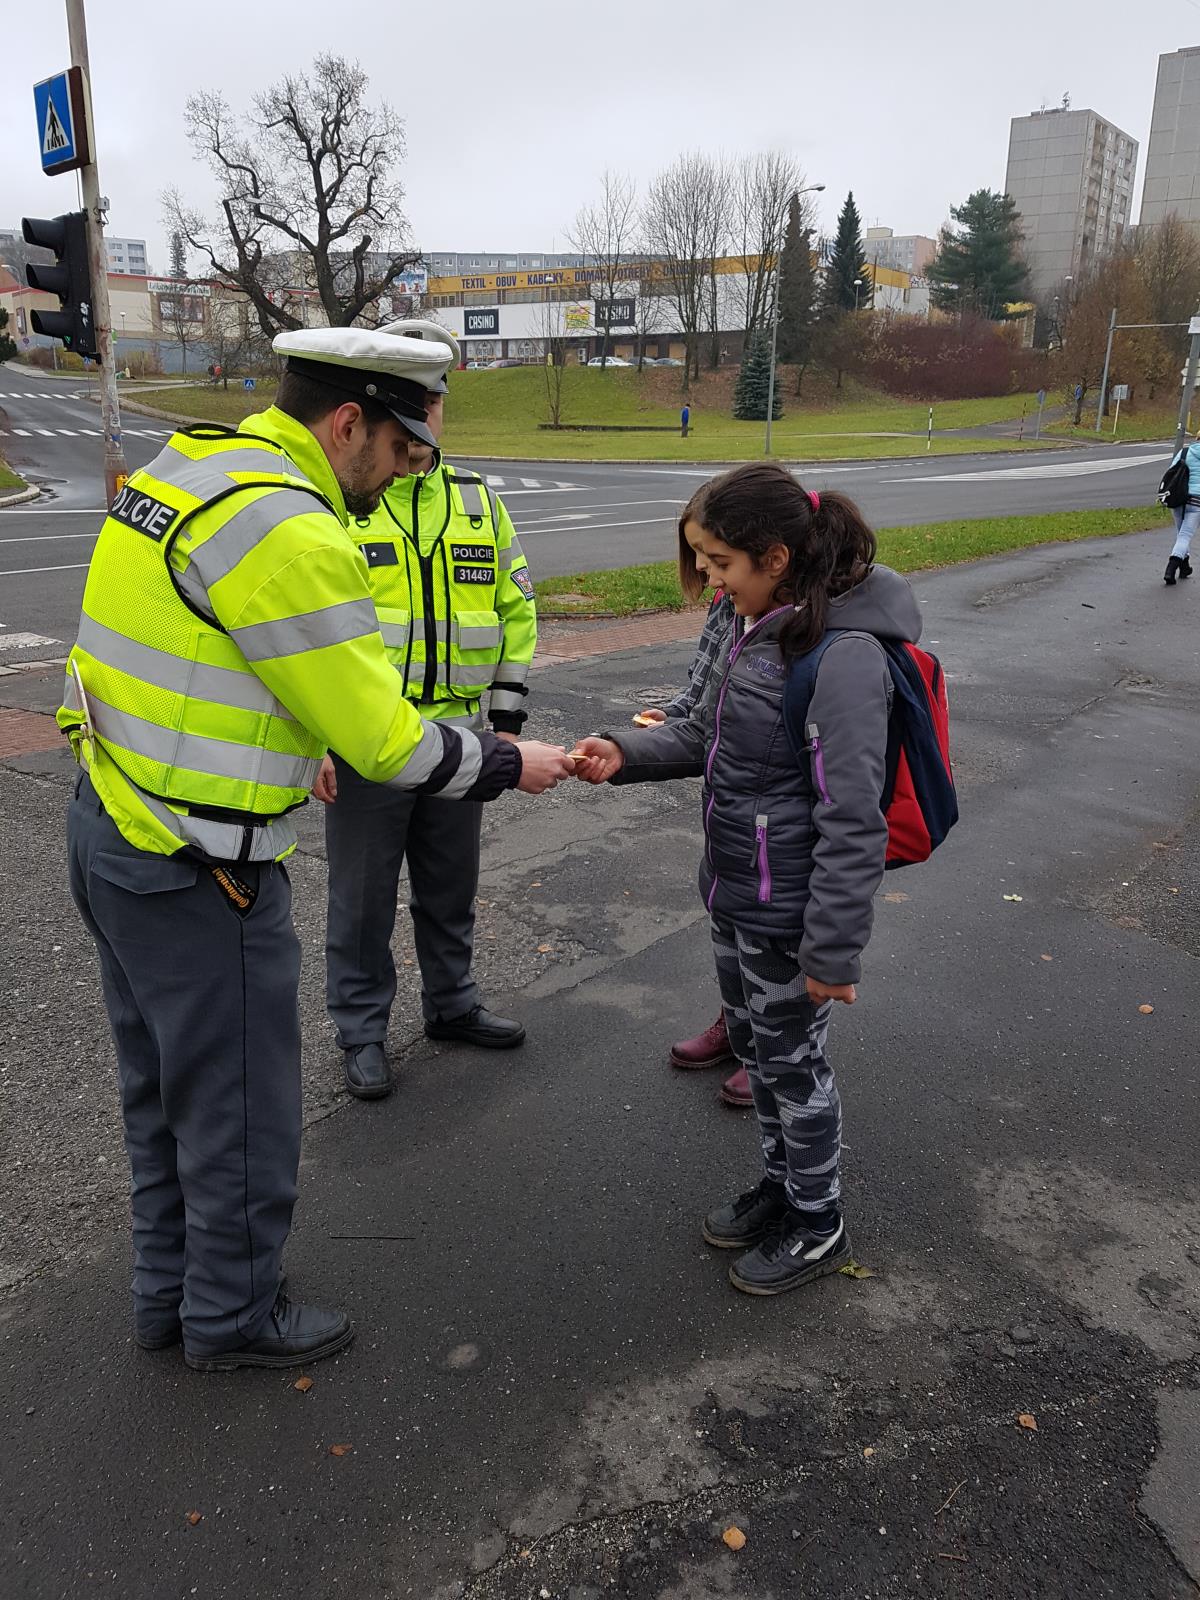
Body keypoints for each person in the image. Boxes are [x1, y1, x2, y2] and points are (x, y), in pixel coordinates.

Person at [58, 327, 574, 1372]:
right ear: (348, 424)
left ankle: (168, 1297)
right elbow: (383, 741)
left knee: (162, 1094)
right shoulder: (293, 530)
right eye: (399, 451)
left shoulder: (194, 463)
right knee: (240, 1108)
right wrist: (508, 761)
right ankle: (232, 1317)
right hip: (201, 861)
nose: (400, 477)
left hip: (112, 821)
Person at [574, 462, 922, 1296]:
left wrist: (832, 951)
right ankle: (782, 1185)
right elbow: (703, 733)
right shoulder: (755, 627)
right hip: (737, 894)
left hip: (790, 914)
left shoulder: (843, 657)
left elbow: (852, 818)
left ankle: (818, 1220)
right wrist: (623, 753)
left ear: (776, 557)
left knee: (794, 1070)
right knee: (762, 1059)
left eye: (721, 563)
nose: (711, 581)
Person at [318, 319, 539, 1098]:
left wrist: (504, 724)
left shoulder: (479, 503)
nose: (425, 414)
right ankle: (361, 1031)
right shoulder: (345, 503)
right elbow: (312, 634)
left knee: (450, 888)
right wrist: (316, 739)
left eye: (434, 398)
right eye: (411, 399)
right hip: (369, 738)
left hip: (459, 736)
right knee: (362, 900)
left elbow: (516, 611)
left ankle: (451, 1004)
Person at [634, 575, 749, 1107]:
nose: (708, 574)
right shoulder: (732, 598)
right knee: (729, 924)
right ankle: (740, 1026)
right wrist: (670, 720)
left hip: (782, 833)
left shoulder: (817, 629)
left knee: (775, 947)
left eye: (717, 559)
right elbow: (704, 699)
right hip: (730, 811)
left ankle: (773, 1054)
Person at [1164, 430, 1200, 585]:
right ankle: (1171, 568)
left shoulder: (1185, 452)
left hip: (1179, 498)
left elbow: (1171, 471)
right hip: (1197, 502)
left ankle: (1185, 567)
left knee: (1181, 534)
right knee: (1185, 535)